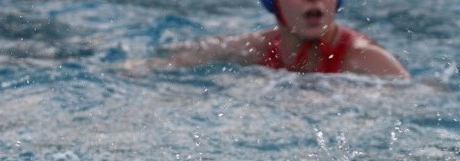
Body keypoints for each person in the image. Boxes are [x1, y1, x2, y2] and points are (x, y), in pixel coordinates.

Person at [126, 0, 409, 78]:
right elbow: (177, 58)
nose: (314, 2)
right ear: (274, 5)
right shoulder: (256, 47)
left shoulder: (367, 59)